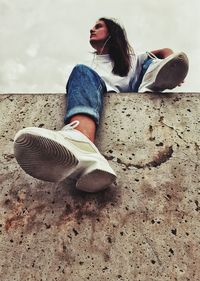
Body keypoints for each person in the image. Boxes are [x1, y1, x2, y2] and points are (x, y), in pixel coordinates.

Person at [14, 17, 189, 193]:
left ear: (112, 32)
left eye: (98, 26)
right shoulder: (93, 67)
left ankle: (156, 73)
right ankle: (92, 163)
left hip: (132, 88)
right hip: (96, 96)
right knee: (82, 73)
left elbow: (165, 51)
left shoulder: (132, 60)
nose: (92, 29)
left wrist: (172, 63)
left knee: (142, 63)